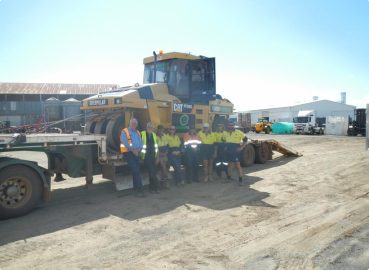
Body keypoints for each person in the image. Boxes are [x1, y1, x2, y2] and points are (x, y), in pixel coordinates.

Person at [120, 118, 145, 197]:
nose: (134, 125)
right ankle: (140, 190)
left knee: (136, 171)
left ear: (137, 125)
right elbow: (124, 142)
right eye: (132, 123)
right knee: (136, 170)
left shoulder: (138, 132)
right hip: (128, 153)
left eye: (135, 124)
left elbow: (141, 142)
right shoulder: (124, 131)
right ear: (129, 124)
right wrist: (133, 150)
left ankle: (136, 188)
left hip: (137, 153)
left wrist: (139, 149)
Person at [222, 121, 248, 186]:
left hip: (236, 150)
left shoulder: (238, 132)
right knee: (230, 165)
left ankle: (240, 180)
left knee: (237, 166)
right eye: (229, 125)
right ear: (227, 126)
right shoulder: (225, 133)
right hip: (228, 151)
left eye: (232, 125)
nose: (230, 126)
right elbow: (223, 140)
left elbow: (245, 140)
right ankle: (229, 178)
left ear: (234, 126)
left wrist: (241, 148)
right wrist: (225, 146)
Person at [141, 122, 160, 193]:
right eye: (149, 127)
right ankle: (156, 187)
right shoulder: (142, 134)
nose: (150, 128)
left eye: (151, 127)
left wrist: (157, 157)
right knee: (152, 172)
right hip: (146, 157)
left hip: (153, 157)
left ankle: (151, 188)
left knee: (152, 172)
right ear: (146, 127)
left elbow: (156, 147)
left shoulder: (154, 135)